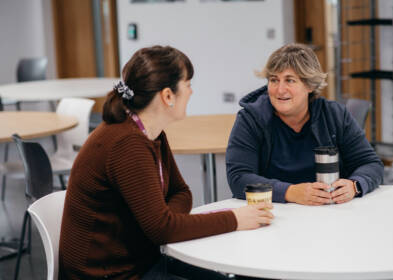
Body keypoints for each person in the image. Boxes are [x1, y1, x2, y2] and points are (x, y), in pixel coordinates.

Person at [59, 46, 274, 280]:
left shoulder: (151, 133)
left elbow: (180, 193)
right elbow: (163, 230)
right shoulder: (127, 143)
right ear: (168, 96)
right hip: (110, 274)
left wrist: (165, 222)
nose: (192, 92)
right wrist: (234, 219)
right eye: (188, 84)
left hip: (139, 260)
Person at [226, 43, 383, 206]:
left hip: (330, 213)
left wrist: (355, 185)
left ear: (310, 85)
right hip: (273, 214)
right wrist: (289, 192)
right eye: (274, 80)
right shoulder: (250, 119)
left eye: (290, 80)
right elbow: (239, 177)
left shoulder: (335, 115)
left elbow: (371, 164)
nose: (280, 90)